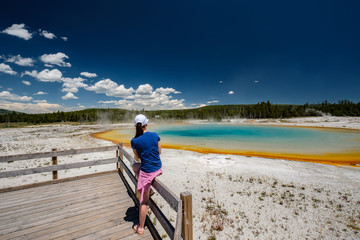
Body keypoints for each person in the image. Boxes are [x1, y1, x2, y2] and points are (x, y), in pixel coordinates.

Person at [131, 114, 162, 236]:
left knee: (143, 202)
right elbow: (159, 152)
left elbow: (137, 158)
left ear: (136, 126)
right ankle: (149, 191)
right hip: (157, 167)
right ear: (146, 124)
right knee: (135, 167)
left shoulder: (134, 141)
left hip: (147, 171)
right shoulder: (155, 135)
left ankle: (141, 228)